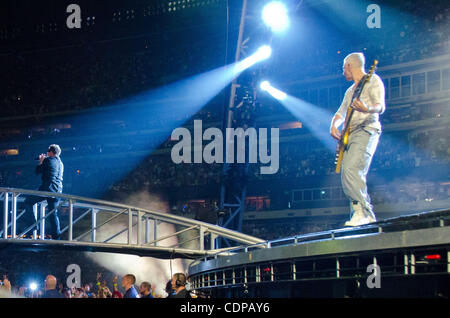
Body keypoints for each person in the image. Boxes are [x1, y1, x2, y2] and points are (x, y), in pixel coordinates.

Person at [330, 52, 385, 227]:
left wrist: (366, 108)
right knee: (347, 171)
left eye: (343, 68)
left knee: (353, 168)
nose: (342, 72)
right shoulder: (350, 91)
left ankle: (364, 211)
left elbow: (380, 106)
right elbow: (340, 112)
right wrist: (333, 125)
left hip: (366, 129)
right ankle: (358, 211)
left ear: (349, 66)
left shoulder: (372, 80)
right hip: (351, 135)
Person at [21, 144, 64, 239]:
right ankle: (56, 237)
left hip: (46, 189)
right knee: (53, 214)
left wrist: (41, 161)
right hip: (57, 191)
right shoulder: (61, 163)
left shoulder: (48, 160)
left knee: (28, 201)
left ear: (51, 152)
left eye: (48, 151)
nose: (47, 153)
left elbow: (37, 171)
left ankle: (33, 225)